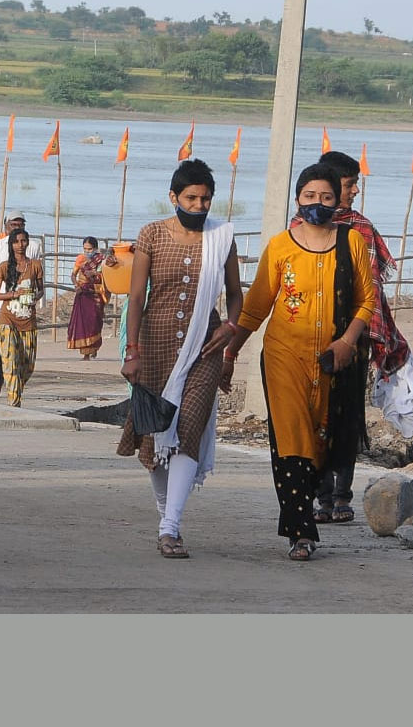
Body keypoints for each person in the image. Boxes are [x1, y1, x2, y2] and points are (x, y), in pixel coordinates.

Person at [221, 164, 375, 561]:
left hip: (333, 361)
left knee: (322, 440)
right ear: (297, 200)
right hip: (284, 356)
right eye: (310, 197)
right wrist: (230, 353)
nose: (318, 204)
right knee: (292, 440)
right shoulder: (281, 246)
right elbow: (255, 308)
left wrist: (347, 342)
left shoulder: (352, 242)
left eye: (326, 197)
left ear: (337, 201)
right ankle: (300, 531)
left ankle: (310, 511)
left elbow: (367, 300)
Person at [303, 150, 413, 524]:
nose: (354, 192)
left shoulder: (360, 229)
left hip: (354, 339)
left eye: (353, 185)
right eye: (348, 185)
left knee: (347, 418)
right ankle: (318, 494)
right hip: (310, 338)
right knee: (315, 417)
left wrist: (359, 336)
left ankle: (340, 496)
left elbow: (371, 293)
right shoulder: (299, 230)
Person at [117, 159, 242, 559]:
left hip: (205, 345)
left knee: (190, 424)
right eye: (191, 197)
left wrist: (231, 327)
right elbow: (137, 297)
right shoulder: (152, 234)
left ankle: (170, 527)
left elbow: (237, 296)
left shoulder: (222, 237)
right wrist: (131, 351)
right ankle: (163, 511)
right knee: (154, 434)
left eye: (206, 198)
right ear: (174, 197)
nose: (199, 205)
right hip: (154, 346)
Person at [0, 211, 43, 396]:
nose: (20, 244)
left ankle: (14, 383)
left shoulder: (34, 248)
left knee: (24, 356)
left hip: (25, 310)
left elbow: (39, 283)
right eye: (13, 225)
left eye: (20, 225)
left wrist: (34, 297)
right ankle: (1, 380)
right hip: (3, 308)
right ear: (6, 226)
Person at [66, 236, 109, 360]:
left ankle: (94, 348)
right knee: (83, 323)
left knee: (95, 321)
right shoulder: (80, 259)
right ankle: (86, 353)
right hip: (83, 294)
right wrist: (76, 284)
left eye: (90, 249)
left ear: (95, 248)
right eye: (85, 249)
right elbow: (73, 275)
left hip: (96, 294)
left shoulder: (101, 260)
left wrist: (95, 274)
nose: (87, 251)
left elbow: (105, 277)